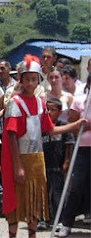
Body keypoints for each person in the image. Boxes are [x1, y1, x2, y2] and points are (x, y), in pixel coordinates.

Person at [1, 55, 85, 238]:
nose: (30, 83)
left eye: (34, 79)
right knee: (17, 202)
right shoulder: (14, 103)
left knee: (34, 202)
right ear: (21, 79)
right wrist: (17, 166)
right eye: (27, 79)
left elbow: (50, 129)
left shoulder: (40, 102)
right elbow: (11, 136)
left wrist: (73, 125)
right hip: (20, 158)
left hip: (37, 160)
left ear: (39, 80)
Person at [59, 74, 91, 237]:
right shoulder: (80, 101)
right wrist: (82, 126)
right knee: (76, 186)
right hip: (83, 149)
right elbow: (72, 126)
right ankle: (66, 223)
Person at [36, 98, 74, 231]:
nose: (50, 112)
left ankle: (59, 220)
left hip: (58, 165)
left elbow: (69, 145)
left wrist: (67, 161)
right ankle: (43, 219)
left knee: (58, 193)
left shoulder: (63, 125)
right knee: (43, 193)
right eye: (47, 109)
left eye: (53, 110)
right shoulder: (41, 127)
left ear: (59, 112)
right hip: (44, 165)